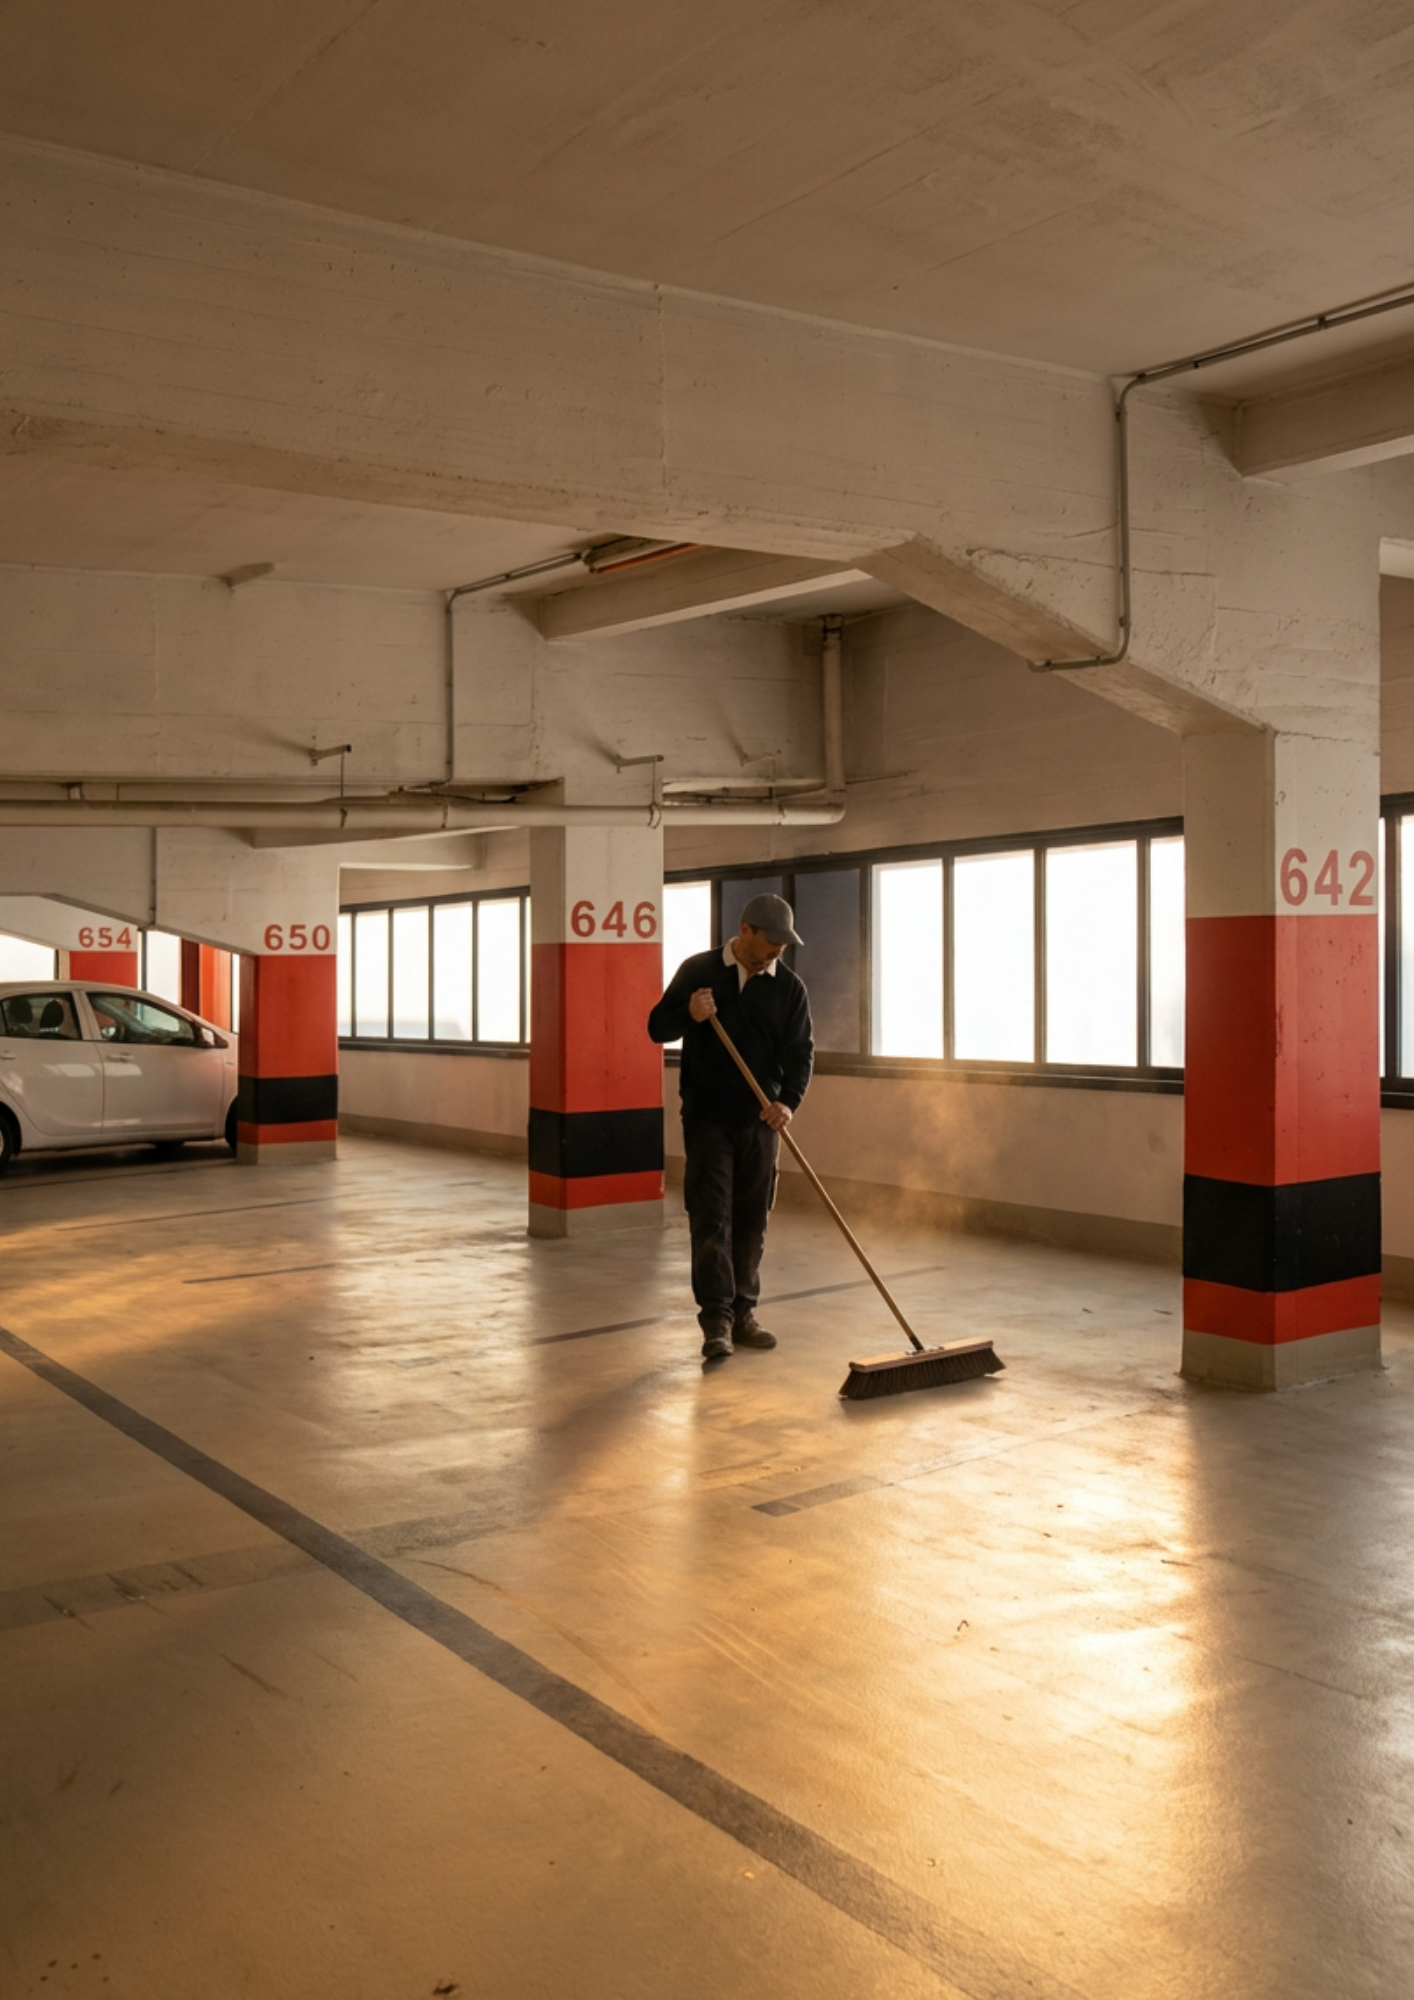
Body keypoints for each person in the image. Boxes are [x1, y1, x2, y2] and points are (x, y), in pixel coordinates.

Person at [648, 893, 814, 1363]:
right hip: (707, 1119)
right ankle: (716, 1321)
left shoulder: (789, 988)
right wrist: (690, 1015)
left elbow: (800, 1054)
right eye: (770, 944)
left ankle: (745, 1314)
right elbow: (656, 1027)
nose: (776, 953)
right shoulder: (699, 971)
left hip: (761, 1122)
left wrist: (788, 1104)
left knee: (752, 1219)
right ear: (745, 932)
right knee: (711, 1217)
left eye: (783, 947)